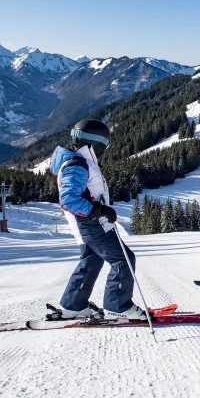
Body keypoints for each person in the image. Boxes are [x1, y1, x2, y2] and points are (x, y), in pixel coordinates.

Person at [49, 119, 146, 321]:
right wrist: (98, 210)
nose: (106, 149)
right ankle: (118, 307)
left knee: (91, 262)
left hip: (88, 223)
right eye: (106, 144)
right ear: (96, 142)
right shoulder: (78, 165)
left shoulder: (81, 162)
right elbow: (69, 199)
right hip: (91, 224)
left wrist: (101, 209)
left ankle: (73, 306)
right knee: (123, 260)